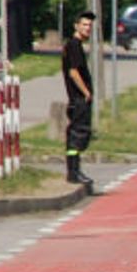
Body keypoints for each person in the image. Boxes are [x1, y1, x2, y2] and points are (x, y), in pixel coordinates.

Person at [61, 11, 96, 186]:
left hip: (78, 99)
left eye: (90, 25)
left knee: (78, 135)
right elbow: (73, 72)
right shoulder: (74, 46)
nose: (88, 28)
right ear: (76, 26)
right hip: (78, 99)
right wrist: (86, 92)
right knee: (77, 135)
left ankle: (75, 170)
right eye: (84, 25)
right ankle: (73, 172)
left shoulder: (76, 45)